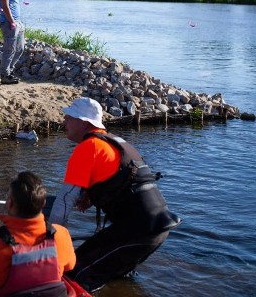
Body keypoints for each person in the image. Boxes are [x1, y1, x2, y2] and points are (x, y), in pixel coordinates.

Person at [49, 97, 181, 292]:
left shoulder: (88, 148)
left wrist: (50, 240)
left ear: (84, 123)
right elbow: (120, 182)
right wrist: (90, 197)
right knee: (113, 279)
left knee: (74, 274)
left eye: (69, 117)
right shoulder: (113, 142)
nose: (64, 121)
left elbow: (65, 200)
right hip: (155, 227)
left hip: (140, 230)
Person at [0, 0, 24, 85]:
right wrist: (12, 22)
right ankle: (5, 75)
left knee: (20, 48)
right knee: (9, 49)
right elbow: (5, 6)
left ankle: (9, 70)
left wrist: (18, 22)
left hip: (18, 23)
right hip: (9, 23)